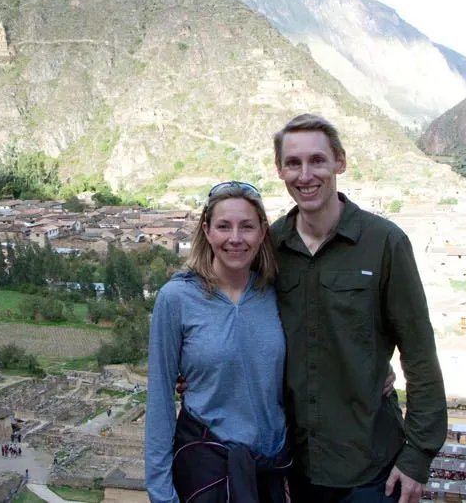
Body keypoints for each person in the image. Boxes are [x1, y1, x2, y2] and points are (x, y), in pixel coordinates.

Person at [270, 113, 447, 503]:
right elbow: (235, 315)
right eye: (293, 163)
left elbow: (419, 352)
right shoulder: (270, 246)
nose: (305, 175)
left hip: (370, 469)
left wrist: (418, 456)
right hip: (290, 465)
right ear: (279, 170)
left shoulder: (385, 243)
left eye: (317, 160)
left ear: (340, 162)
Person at [145, 181, 291, 503]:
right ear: (207, 231)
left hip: (273, 465)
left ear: (262, 232)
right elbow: (159, 399)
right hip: (210, 470)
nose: (235, 238)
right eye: (224, 226)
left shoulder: (277, 293)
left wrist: (377, 367)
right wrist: (160, 492)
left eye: (247, 227)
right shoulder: (177, 299)